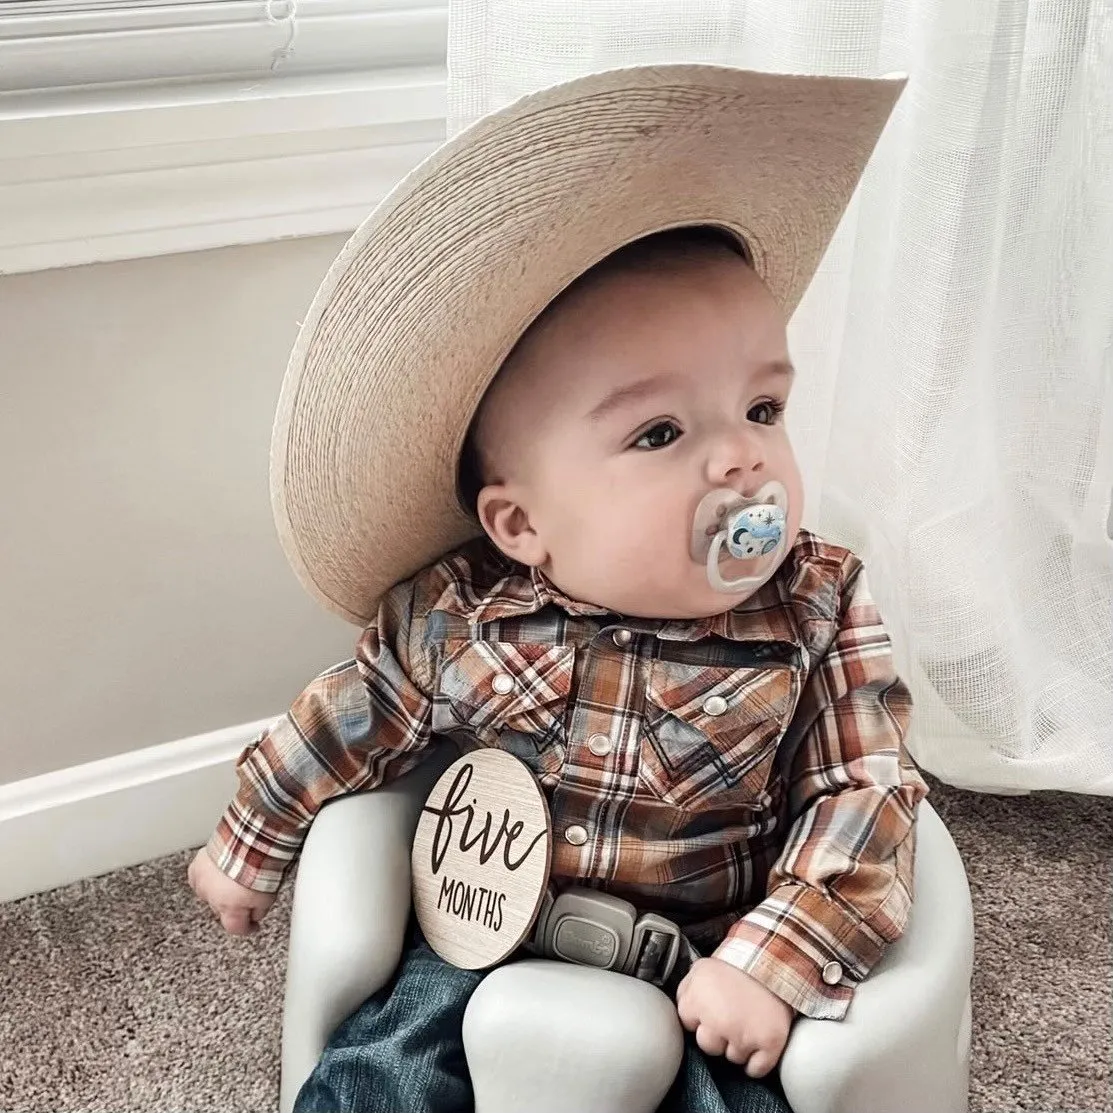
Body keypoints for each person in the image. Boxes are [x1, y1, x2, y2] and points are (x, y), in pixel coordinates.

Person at [188, 65, 929, 1113]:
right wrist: (252, 840)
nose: (742, 464)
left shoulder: (819, 609)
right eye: (662, 432)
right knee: (378, 1076)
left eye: (762, 408)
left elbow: (867, 794)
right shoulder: (460, 615)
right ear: (522, 524)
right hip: (484, 934)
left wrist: (775, 958)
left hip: (702, 962)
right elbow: (346, 722)